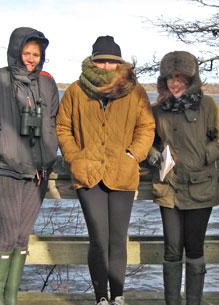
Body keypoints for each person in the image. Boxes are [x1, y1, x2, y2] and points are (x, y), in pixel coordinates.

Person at [56, 35, 155, 305]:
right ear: (93, 62)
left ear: (120, 64)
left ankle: (118, 296)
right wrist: (75, 157)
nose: (107, 67)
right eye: (101, 62)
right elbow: (63, 127)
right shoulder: (76, 91)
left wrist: (133, 155)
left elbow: (146, 127)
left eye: (112, 62)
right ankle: (101, 297)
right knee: (98, 238)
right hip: (88, 173)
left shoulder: (135, 91)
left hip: (122, 174)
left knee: (117, 239)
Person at [0, 27, 59, 305]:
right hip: (6, 169)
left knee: (22, 237)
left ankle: (11, 298)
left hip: (38, 173)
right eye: (27, 52)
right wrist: (1, 142)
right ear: (16, 51)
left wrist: (53, 149)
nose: (31, 58)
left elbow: (54, 119)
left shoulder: (47, 84)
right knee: (7, 237)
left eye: (36, 54)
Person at [147, 51, 219, 305]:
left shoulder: (207, 106)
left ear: (191, 78)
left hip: (200, 188)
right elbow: (148, 140)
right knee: (172, 250)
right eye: (170, 77)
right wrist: (151, 153)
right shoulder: (158, 109)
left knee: (194, 248)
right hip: (168, 188)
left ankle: (194, 301)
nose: (175, 82)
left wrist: (205, 155)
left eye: (180, 77)